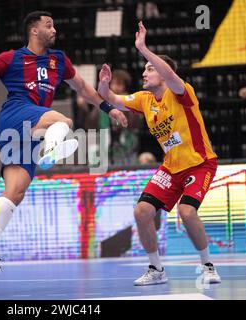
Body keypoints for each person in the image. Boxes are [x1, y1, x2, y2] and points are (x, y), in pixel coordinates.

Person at [0, 10, 128, 275]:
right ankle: (51, 148)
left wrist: (110, 109)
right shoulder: (12, 58)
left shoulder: (58, 60)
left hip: (29, 129)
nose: (55, 30)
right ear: (34, 30)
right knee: (64, 122)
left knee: (15, 191)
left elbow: (84, 89)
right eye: (49, 25)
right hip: (15, 115)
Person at [98, 22, 221, 286]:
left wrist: (143, 48)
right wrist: (103, 85)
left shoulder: (181, 93)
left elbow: (169, 75)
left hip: (200, 164)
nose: (144, 72)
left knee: (187, 212)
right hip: (170, 168)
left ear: (165, 74)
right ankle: (156, 270)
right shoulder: (145, 100)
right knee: (142, 212)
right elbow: (111, 99)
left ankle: (208, 265)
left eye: (150, 69)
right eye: (144, 68)